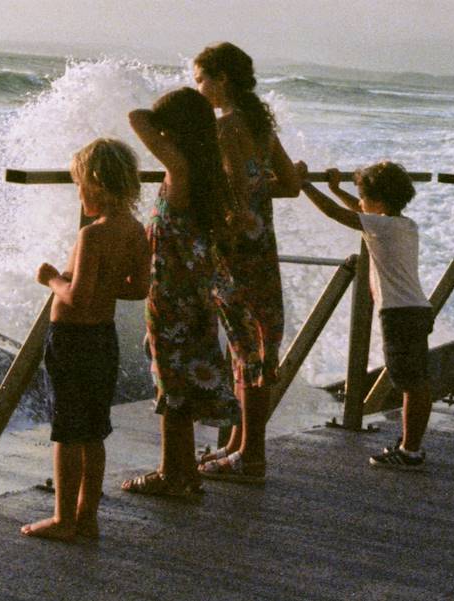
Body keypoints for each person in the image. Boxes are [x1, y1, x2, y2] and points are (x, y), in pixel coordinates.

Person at [21, 138, 151, 540]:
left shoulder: (92, 236)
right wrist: (105, 286)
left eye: (78, 185)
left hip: (73, 340)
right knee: (94, 433)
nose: (78, 193)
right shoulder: (134, 231)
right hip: (103, 338)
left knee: (66, 432)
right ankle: (87, 516)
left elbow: (75, 298)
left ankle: (63, 519)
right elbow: (140, 288)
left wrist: (52, 278)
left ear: (94, 184)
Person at [121, 87, 240, 497]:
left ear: (175, 132)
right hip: (195, 293)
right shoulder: (209, 171)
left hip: (171, 293)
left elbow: (136, 117)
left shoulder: (181, 169)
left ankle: (173, 475)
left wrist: (163, 125)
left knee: (171, 385)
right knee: (182, 381)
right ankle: (183, 471)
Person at [193, 42, 302, 482]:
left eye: (200, 78)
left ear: (221, 80)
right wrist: (253, 196)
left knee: (246, 351)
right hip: (262, 248)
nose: (197, 86)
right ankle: (239, 447)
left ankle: (251, 456)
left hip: (237, 251)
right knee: (254, 349)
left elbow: (236, 195)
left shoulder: (227, 128)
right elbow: (291, 184)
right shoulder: (260, 125)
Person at [300, 162, 433, 469]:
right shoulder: (403, 224)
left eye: (362, 195)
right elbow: (362, 214)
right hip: (416, 310)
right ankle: (409, 445)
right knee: (416, 380)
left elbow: (339, 214)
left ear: (379, 200)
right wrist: (336, 189)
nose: (359, 200)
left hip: (399, 314)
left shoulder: (380, 226)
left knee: (411, 384)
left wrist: (305, 184)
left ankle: (410, 451)